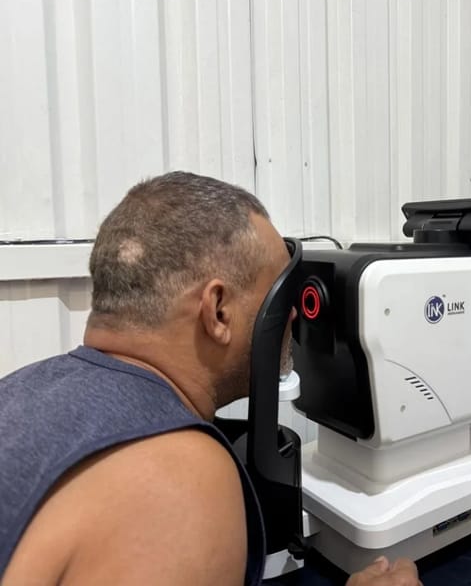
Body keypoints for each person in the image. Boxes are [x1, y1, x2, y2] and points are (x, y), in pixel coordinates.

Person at [0, 171, 420, 586]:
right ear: (218, 311)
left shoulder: (20, 389)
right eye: (280, 294)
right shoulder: (179, 474)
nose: (293, 314)